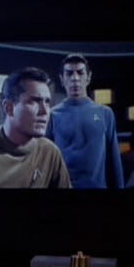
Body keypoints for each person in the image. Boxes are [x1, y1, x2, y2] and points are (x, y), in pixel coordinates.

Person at [0, 67, 71, 189]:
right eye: (34, 101)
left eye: (47, 102)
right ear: (8, 108)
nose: (45, 111)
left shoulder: (50, 153)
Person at [46, 53, 124, 189]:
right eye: (69, 73)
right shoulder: (52, 115)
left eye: (80, 73)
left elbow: (114, 163)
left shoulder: (105, 113)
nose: (75, 78)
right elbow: (46, 162)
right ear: (62, 79)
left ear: (88, 77)